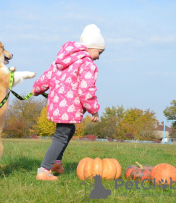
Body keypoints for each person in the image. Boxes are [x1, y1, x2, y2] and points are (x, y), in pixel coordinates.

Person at [31, 24, 105, 181]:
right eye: (99, 52)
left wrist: (36, 89)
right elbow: (86, 90)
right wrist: (94, 109)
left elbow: (47, 77)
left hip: (57, 107)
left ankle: (56, 163)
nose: (99, 56)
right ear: (91, 48)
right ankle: (44, 170)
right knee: (61, 135)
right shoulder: (87, 64)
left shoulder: (61, 60)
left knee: (68, 131)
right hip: (69, 108)